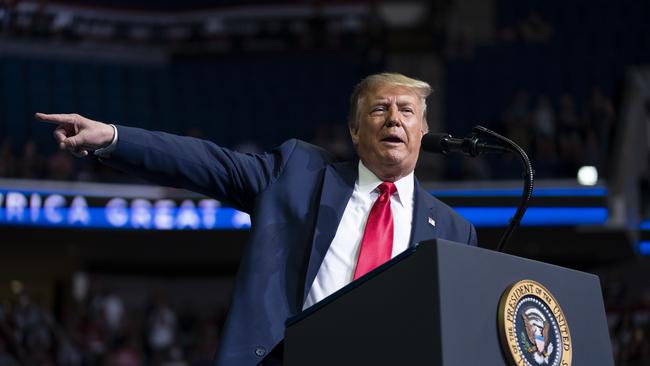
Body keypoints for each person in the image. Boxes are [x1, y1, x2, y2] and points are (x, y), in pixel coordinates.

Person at [36, 72, 477, 366]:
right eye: (379, 109)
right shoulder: (297, 174)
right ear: (355, 131)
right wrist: (113, 138)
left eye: (406, 111)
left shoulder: (456, 231)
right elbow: (206, 162)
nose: (393, 118)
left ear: (423, 131)